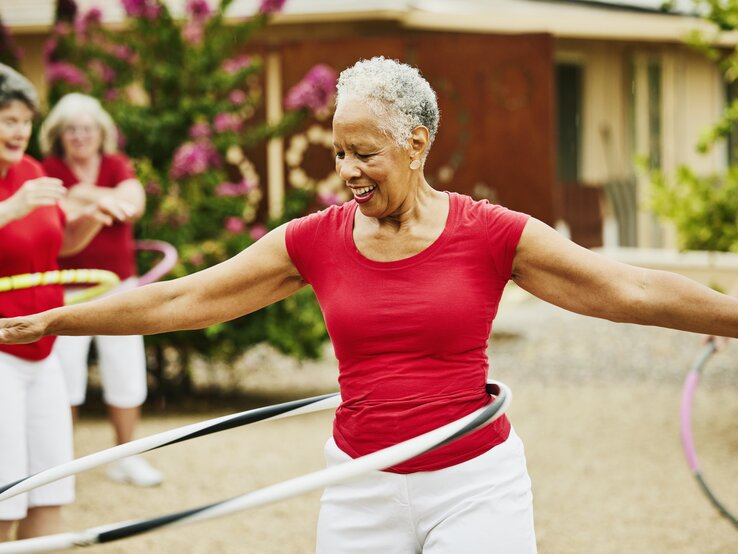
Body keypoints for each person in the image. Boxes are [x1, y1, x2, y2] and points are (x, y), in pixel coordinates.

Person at [2, 56, 738, 552]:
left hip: (476, 483)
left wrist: (733, 316)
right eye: (338, 153)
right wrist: (61, 317)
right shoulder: (314, 242)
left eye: (365, 153)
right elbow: (188, 298)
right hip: (359, 483)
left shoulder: (492, 234)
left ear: (416, 144)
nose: (347, 172)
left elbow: (627, 289)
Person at [0, 64, 127, 542]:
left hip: (42, 345)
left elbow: (55, 248)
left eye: (25, 120)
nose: (20, 130)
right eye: (8, 119)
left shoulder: (33, 172)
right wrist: (12, 207)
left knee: (48, 490)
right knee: (5, 495)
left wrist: (91, 219)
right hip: (1, 351)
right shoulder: (26, 187)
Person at [37, 93, 162, 488]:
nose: (79, 136)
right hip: (69, 287)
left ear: (100, 132)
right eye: (71, 129)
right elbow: (63, 209)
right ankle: (61, 464)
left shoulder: (115, 164)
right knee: (65, 376)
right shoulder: (49, 168)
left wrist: (85, 197)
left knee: (125, 370)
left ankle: (126, 457)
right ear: (59, 135)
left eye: (86, 128)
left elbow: (135, 204)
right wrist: (105, 199)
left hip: (120, 286)